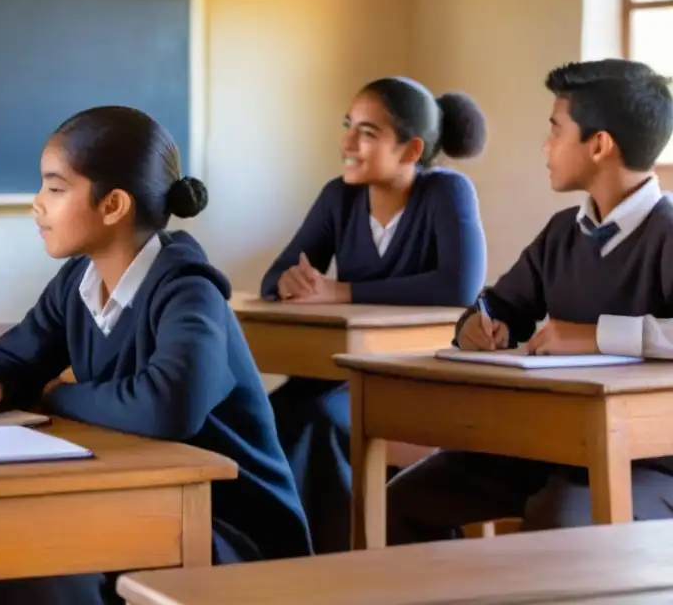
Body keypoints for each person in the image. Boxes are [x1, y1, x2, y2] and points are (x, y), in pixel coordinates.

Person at [0, 105, 312, 604]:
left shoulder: (187, 291)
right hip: (138, 498)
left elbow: (167, 407)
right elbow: (17, 358)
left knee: (42, 573)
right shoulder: (78, 281)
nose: (36, 204)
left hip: (227, 527)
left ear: (113, 205)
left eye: (54, 188)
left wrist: (60, 397)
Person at [387, 59, 673, 544]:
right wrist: (481, 325)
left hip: (653, 463)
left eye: (556, 130)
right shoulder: (563, 232)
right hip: (553, 448)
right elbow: (500, 304)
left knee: (560, 517)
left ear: (599, 145)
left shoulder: (667, 231)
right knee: (404, 500)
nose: (545, 145)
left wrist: (592, 336)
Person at [260, 76, 488, 553]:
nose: (347, 143)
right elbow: (279, 272)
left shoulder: (447, 192)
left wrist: (339, 291)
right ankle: (275, 555)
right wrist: (286, 282)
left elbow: (458, 287)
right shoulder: (338, 196)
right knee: (263, 415)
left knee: (319, 420)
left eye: (366, 132)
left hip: (420, 379)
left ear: (410, 151)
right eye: (349, 126)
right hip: (343, 371)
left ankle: (337, 563)